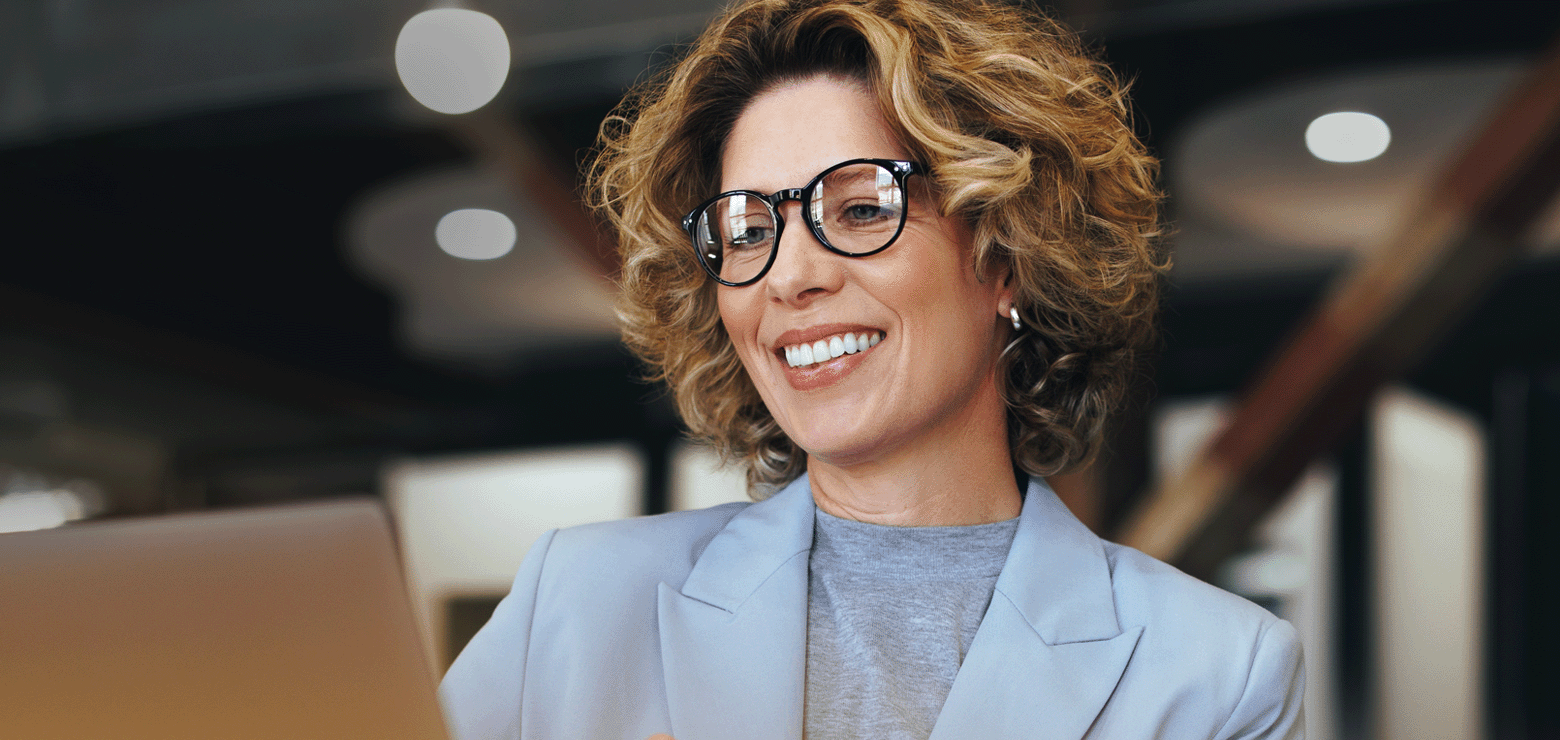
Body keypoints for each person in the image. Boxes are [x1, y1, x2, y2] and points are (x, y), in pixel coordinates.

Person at [438, 0, 1304, 738]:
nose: (789, 275)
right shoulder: (580, 602)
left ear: (1007, 255)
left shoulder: (1219, 673)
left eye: (859, 209)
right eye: (747, 231)